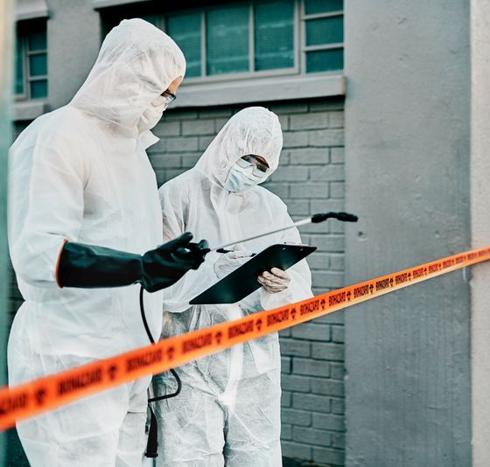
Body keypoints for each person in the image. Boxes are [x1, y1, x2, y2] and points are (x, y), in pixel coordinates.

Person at [7, 19, 209, 466]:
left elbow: (130, 249)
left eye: (171, 96)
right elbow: (39, 255)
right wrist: (138, 267)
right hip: (72, 358)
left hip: (129, 359)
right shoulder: (56, 137)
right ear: (130, 79)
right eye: (162, 92)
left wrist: (165, 264)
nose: (165, 105)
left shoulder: (136, 156)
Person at [155, 106, 313, 466]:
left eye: (263, 166)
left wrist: (280, 288)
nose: (252, 171)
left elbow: (301, 289)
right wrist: (212, 269)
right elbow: (158, 285)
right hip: (190, 358)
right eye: (248, 159)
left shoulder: (271, 207)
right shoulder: (178, 196)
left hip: (254, 360)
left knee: (258, 453)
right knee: (188, 457)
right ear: (227, 145)